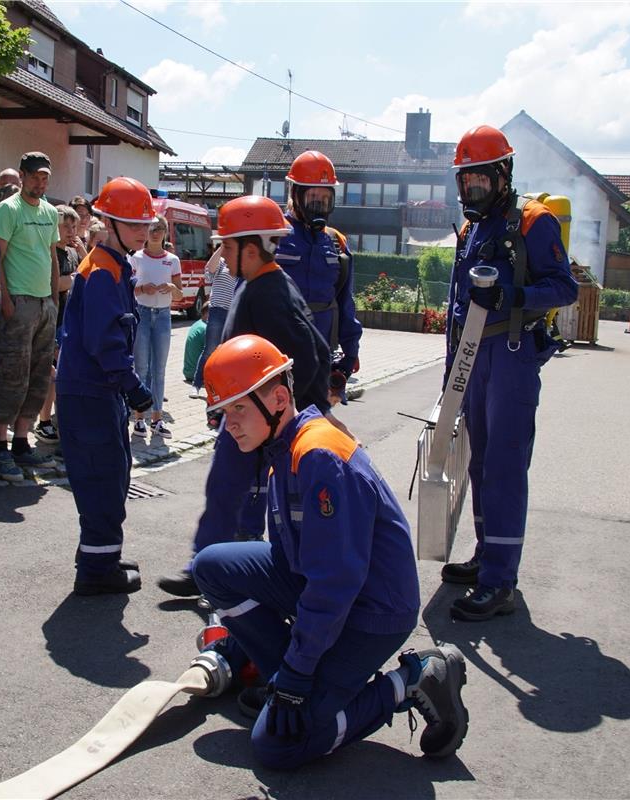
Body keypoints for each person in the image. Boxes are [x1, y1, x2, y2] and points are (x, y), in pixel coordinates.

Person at [191, 334, 469, 768]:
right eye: (224, 412)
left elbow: (335, 582)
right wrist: (277, 663)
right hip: (326, 589)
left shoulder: (318, 454)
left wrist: (299, 672)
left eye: (239, 408)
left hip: (372, 611)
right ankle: (292, 682)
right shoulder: (284, 445)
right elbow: (291, 560)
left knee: (278, 746)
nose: (230, 423)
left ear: (279, 398)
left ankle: (414, 679)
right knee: (211, 567)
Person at [159, 195, 334, 597]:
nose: (220, 253)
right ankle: (217, 565)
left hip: (260, 418)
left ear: (250, 250)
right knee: (234, 491)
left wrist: (284, 417)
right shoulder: (261, 284)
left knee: (229, 488)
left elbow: (308, 356)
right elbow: (316, 350)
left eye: (227, 246)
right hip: (252, 413)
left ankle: (212, 569)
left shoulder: (267, 292)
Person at [438, 125, 578, 621]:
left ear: (503, 175)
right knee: (477, 465)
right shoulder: (471, 230)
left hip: (512, 355)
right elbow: (457, 303)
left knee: (504, 468)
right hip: (471, 357)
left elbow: (565, 288)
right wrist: (450, 374)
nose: (471, 190)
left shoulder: (533, 223)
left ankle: (501, 582)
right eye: (465, 182)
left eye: (479, 180)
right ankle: (485, 557)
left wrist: (515, 298)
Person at [55, 176, 155, 596]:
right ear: (110, 224)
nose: (145, 233)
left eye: (147, 225)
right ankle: (96, 573)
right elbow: (105, 342)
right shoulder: (101, 272)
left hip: (97, 392)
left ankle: (101, 556)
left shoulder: (112, 266)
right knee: (102, 480)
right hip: (90, 393)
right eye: (136, 226)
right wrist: (133, 387)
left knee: (112, 475)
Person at [0, 152, 61, 482]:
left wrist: (54, 297)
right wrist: (5, 301)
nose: (40, 182)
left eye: (44, 177)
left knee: (38, 376)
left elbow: (51, 255)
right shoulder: (7, 210)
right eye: (34, 176)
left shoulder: (50, 212)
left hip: (45, 304)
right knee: (13, 374)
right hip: (17, 303)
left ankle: (21, 441)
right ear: (22, 176)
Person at [277, 150, 362, 402]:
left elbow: (346, 303)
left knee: (315, 428)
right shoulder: (273, 236)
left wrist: (349, 353)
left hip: (321, 357)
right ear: (295, 193)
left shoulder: (336, 242)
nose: (319, 204)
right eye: (313, 196)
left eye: (325, 198)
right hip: (277, 356)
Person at [35, 204, 86, 443]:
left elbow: (87, 273)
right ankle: (43, 422)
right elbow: (52, 284)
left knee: (64, 375)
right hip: (51, 321)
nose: (70, 230)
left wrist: (83, 250)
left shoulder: (73, 252)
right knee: (52, 376)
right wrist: (72, 280)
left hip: (69, 322)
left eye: (74, 226)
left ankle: (57, 418)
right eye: (65, 226)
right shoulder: (48, 252)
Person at [129, 214, 182, 438]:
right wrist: (142, 289)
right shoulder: (136, 258)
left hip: (162, 315)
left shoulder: (172, 259)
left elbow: (179, 294)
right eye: (152, 228)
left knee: (159, 370)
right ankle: (139, 418)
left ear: (165, 232)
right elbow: (128, 290)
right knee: (141, 368)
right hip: (141, 313)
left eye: (160, 228)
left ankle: (157, 418)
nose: (156, 231)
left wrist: (170, 286)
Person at [193, 246, 235, 399]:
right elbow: (209, 272)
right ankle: (197, 384)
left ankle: (224, 386)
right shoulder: (222, 262)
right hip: (217, 310)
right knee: (210, 349)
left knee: (230, 352)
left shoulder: (241, 263)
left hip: (233, 313)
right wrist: (223, 245)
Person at [183, 303, 209, 383]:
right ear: (207, 313)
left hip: (188, 372)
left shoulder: (197, 324)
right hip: (196, 374)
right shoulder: (205, 328)